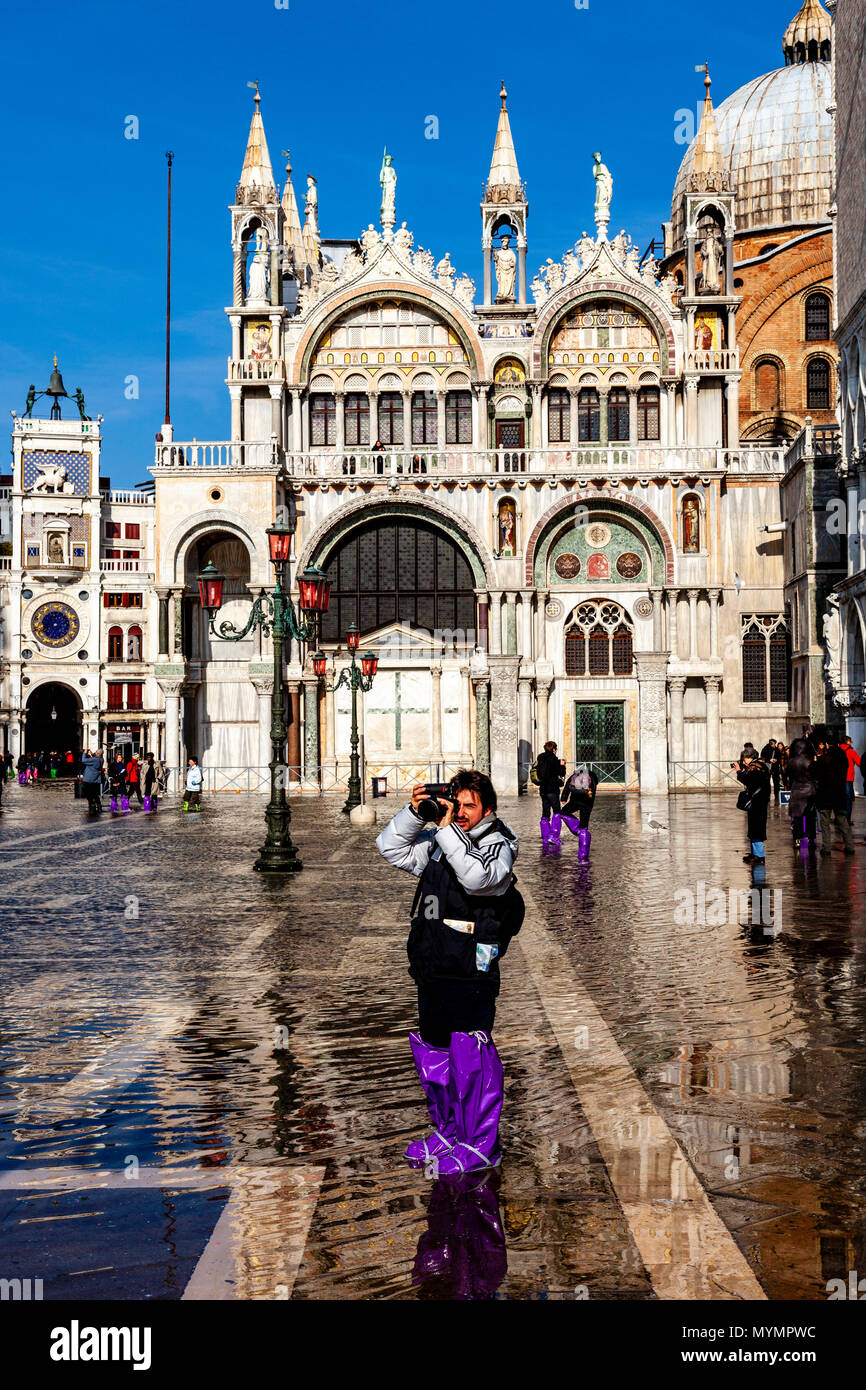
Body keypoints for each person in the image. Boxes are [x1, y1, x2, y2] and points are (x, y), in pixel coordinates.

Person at [376, 769, 523, 1175]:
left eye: (469, 807)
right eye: (455, 805)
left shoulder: (499, 845)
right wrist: (413, 812)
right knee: (436, 1052)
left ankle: (479, 1145)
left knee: (469, 1056)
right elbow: (391, 848)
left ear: (488, 809)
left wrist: (445, 830)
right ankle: (447, 1133)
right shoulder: (441, 842)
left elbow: (478, 879)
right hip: (434, 963)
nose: (459, 813)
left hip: (470, 971)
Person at [814, 732, 855, 855]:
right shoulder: (843, 757)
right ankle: (849, 846)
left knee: (825, 822)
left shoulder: (824, 759)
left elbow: (815, 773)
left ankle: (826, 848)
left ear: (827, 744)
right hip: (839, 793)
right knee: (842, 820)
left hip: (825, 794)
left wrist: (816, 762)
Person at [735, 748, 771, 863]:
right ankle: (754, 853)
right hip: (759, 800)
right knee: (754, 827)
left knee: (757, 828)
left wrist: (739, 771)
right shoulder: (760, 766)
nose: (743, 761)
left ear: (750, 757)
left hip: (757, 802)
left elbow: (747, 780)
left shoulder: (755, 767)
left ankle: (759, 856)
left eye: (744, 759)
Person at [557, 764, 600, 860]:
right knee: (584, 827)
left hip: (575, 802)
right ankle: (583, 855)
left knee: (563, 812)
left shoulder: (574, 776)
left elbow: (567, 787)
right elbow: (592, 790)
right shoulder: (592, 776)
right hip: (587, 804)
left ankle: (576, 829)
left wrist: (564, 798)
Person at [786, 737, 817, 850]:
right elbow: (815, 776)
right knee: (810, 818)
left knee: (797, 818)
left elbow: (788, 777)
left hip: (796, 791)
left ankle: (797, 840)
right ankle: (811, 840)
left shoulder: (791, 762)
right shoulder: (810, 762)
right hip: (809, 790)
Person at [535, 740, 565, 848]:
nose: (556, 751)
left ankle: (546, 837)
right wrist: (562, 765)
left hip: (543, 789)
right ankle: (554, 836)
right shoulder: (554, 759)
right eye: (555, 749)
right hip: (552, 789)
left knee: (545, 812)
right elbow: (561, 773)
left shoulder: (540, 758)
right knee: (557, 811)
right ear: (553, 749)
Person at [839, 735, 861, 825]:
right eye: (850, 741)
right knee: (848, 798)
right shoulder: (851, 751)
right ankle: (847, 819)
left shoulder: (837, 750)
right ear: (847, 742)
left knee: (840, 798)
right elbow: (860, 762)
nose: (851, 743)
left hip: (838, 778)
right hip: (848, 777)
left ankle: (839, 818)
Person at [80, 748, 104, 816]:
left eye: (95, 752)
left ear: (97, 753)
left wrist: (84, 753)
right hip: (96, 780)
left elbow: (83, 761)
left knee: (88, 794)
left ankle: (92, 807)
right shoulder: (101, 759)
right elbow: (95, 757)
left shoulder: (94, 760)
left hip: (89, 779)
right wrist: (92, 754)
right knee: (95, 793)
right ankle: (99, 806)